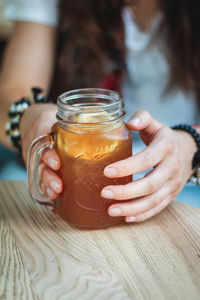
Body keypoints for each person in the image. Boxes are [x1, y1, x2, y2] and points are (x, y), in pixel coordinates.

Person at [0, 0, 199, 222]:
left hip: (188, 178)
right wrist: (30, 114)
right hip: (71, 166)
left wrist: (191, 145)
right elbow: (10, 94)